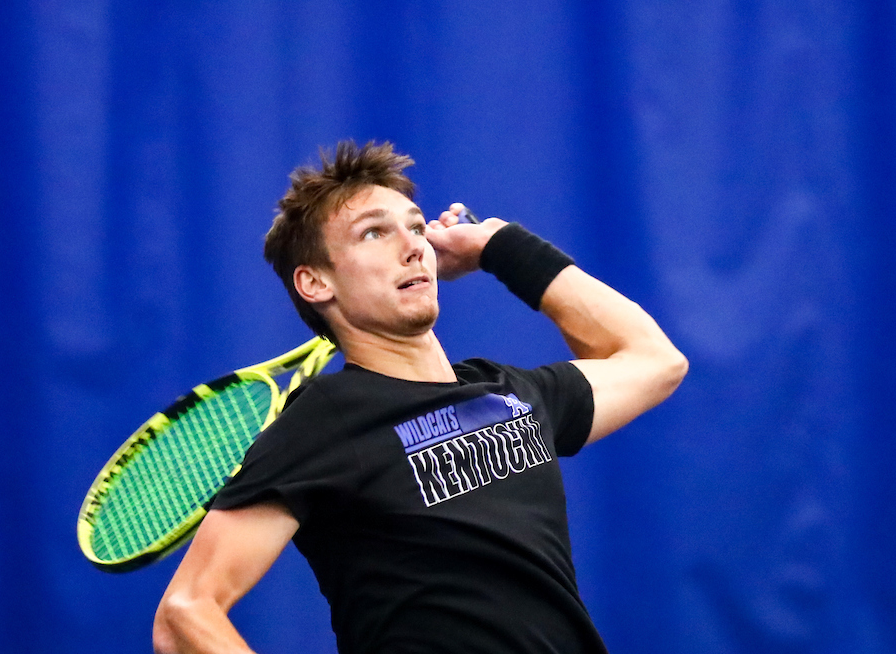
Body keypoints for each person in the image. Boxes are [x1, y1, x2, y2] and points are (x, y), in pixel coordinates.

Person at [152, 140, 688, 654]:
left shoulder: (509, 392)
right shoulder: (325, 419)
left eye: (415, 227)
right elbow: (185, 613)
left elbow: (655, 361)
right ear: (315, 282)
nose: (414, 245)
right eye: (373, 234)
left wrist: (498, 246)